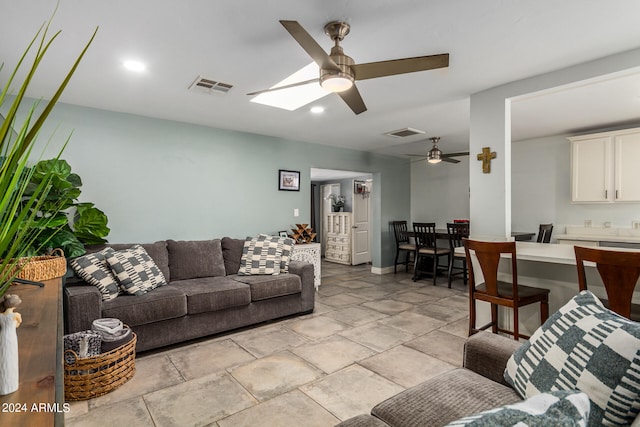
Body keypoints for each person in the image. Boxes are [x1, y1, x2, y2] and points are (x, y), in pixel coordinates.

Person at [0, 294, 22, 395]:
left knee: (3, 358)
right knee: (10, 358)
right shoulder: (16, 315)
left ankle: (3, 386)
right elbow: (18, 324)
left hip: (2, 336)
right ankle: (11, 384)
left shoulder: (1, 316)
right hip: (11, 337)